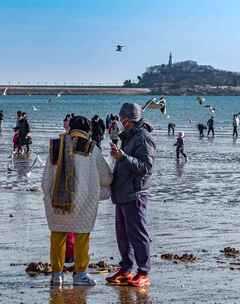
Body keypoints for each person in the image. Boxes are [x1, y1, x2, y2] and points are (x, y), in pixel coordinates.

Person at [42, 115, 112, 286]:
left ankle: (57, 275)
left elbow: (46, 180)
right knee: (82, 236)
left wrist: (49, 195)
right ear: (87, 130)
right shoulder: (91, 149)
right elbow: (106, 178)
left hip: (57, 202)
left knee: (57, 237)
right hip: (83, 203)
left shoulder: (56, 147)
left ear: (70, 128)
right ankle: (80, 274)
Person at [107, 103, 156, 288]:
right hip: (122, 193)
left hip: (135, 194)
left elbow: (146, 167)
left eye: (123, 119)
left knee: (138, 234)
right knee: (122, 235)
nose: (120, 122)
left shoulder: (143, 138)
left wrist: (123, 158)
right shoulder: (128, 137)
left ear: (129, 120)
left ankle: (143, 272)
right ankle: (126, 268)